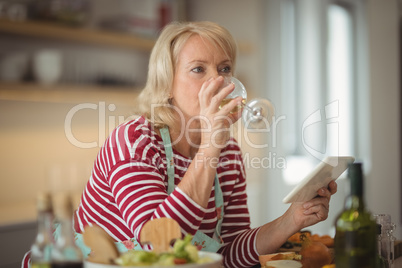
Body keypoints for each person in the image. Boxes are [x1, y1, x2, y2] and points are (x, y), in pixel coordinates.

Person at [23, 21, 336, 268]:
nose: (219, 83)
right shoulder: (135, 140)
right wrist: (211, 147)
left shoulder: (228, 152)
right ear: (167, 83)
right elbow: (158, 246)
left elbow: (227, 254)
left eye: (224, 69)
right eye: (199, 69)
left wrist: (291, 220)